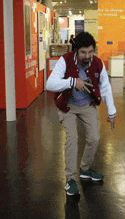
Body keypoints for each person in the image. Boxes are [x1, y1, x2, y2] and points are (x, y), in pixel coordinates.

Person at [46, 32, 116, 196]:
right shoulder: (65, 60)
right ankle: (70, 178)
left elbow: (105, 87)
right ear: (76, 50)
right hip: (68, 105)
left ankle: (85, 169)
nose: (87, 56)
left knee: (94, 138)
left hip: (87, 105)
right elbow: (50, 83)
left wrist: (111, 112)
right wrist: (72, 81)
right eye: (84, 52)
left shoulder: (98, 63)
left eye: (90, 52)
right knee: (73, 138)